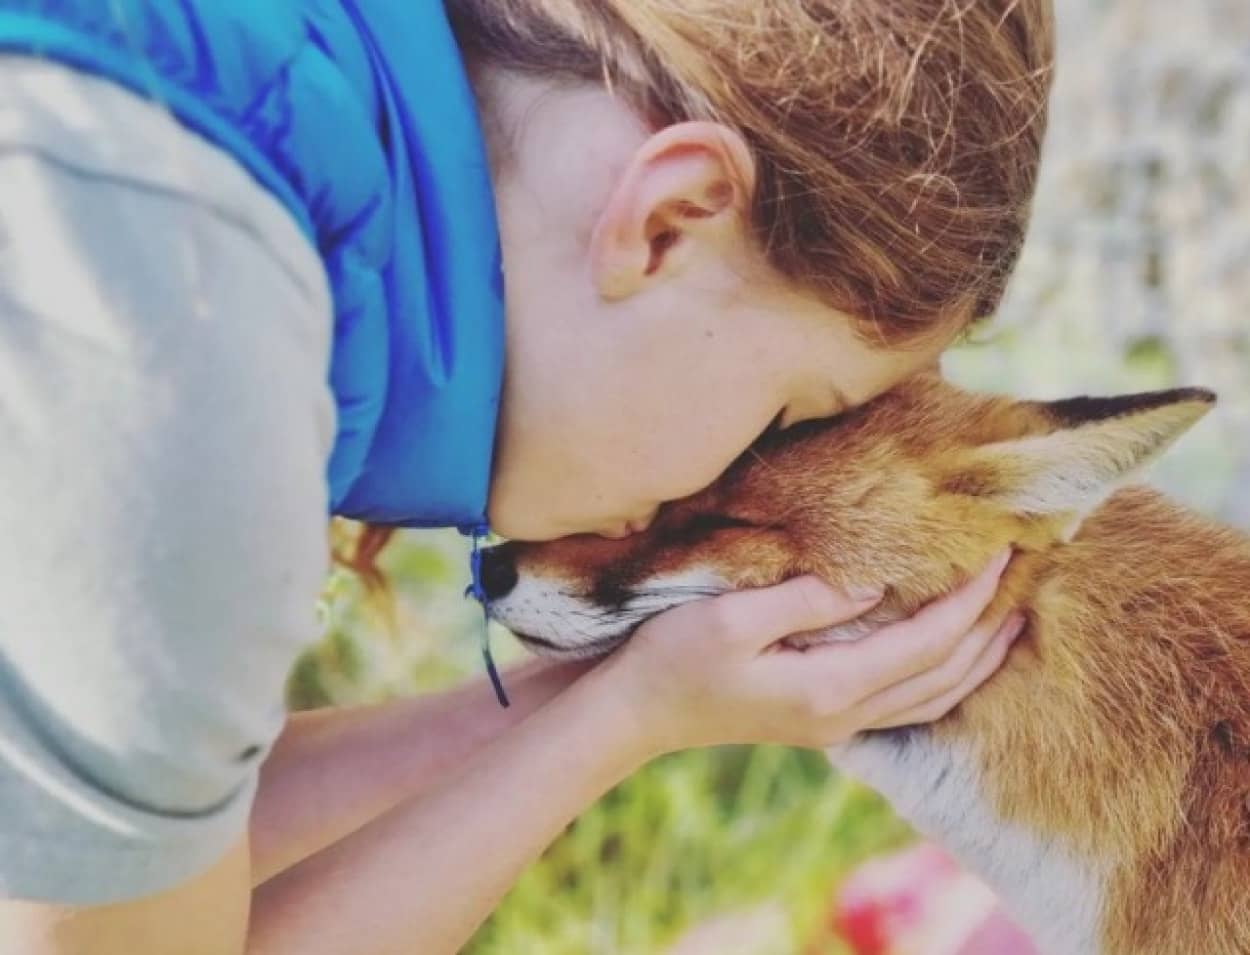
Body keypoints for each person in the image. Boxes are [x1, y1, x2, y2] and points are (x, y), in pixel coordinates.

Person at [0, 1, 1054, 952]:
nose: (734, 472)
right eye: (786, 415)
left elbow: (118, 849)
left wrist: (628, 691)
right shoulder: (185, 325)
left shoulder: (219, 116)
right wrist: (618, 725)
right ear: (668, 221)